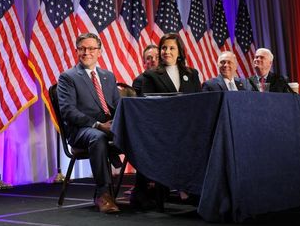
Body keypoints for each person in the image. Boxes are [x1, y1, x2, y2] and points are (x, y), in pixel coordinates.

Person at [131, 33, 202, 210]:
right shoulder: (151, 75)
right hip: (163, 129)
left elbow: (200, 102)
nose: (167, 51)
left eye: (171, 48)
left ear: (179, 52)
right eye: (164, 48)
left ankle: (193, 189)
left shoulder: (192, 74)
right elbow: (149, 106)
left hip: (189, 127)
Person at [57, 33, 121, 213]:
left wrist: (118, 124)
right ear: (77, 51)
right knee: (98, 136)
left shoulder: (108, 76)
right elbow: (68, 111)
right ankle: (103, 193)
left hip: (110, 127)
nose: (86, 52)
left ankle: (145, 187)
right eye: (82, 48)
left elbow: (118, 106)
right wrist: (98, 125)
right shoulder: (68, 77)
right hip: (82, 131)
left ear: (99, 52)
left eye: (91, 48)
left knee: (139, 133)